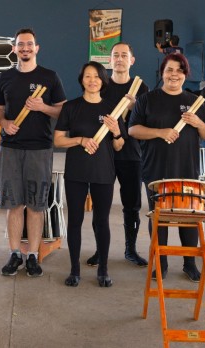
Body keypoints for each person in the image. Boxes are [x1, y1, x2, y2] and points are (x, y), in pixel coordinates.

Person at [129, 53, 205, 282]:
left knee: (189, 215)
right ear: (162, 73)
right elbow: (133, 130)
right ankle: (161, 262)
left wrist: (198, 123)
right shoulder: (148, 99)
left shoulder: (195, 101)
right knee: (159, 217)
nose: (174, 74)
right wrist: (160, 132)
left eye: (179, 70)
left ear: (185, 74)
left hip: (187, 168)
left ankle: (189, 263)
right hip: (155, 167)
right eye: (169, 70)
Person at [0, 28, 66, 277]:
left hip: (40, 148)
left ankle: (33, 255)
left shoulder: (50, 77)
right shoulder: (4, 77)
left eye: (30, 44)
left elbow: (61, 111)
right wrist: (4, 124)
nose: (25, 48)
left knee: (36, 205)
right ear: (14, 48)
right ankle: (15, 254)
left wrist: (42, 106)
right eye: (20, 44)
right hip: (10, 148)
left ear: (37, 48)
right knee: (13, 203)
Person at [54, 61, 126, 287]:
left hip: (103, 171)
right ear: (81, 80)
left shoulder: (112, 109)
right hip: (76, 171)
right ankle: (74, 269)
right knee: (75, 220)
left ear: (103, 80)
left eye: (96, 76)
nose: (92, 80)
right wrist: (80, 140)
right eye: (87, 76)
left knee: (101, 221)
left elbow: (119, 146)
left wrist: (116, 132)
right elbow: (57, 139)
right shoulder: (71, 107)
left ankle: (103, 269)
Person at [86, 42, 150, 268]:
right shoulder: (101, 86)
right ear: (110, 61)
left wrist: (134, 108)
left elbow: (146, 123)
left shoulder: (141, 89)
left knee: (132, 205)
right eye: (116, 55)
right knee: (101, 205)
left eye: (124, 55)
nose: (120, 59)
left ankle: (130, 249)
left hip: (132, 154)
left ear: (132, 60)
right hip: (103, 154)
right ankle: (99, 250)